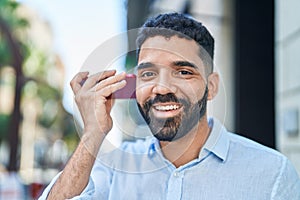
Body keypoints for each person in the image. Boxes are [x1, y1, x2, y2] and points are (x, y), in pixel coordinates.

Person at [39, 13, 300, 200]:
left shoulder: (272, 173)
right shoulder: (112, 167)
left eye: (184, 72)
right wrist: (92, 133)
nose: (162, 88)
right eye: (149, 74)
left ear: (212, 86)